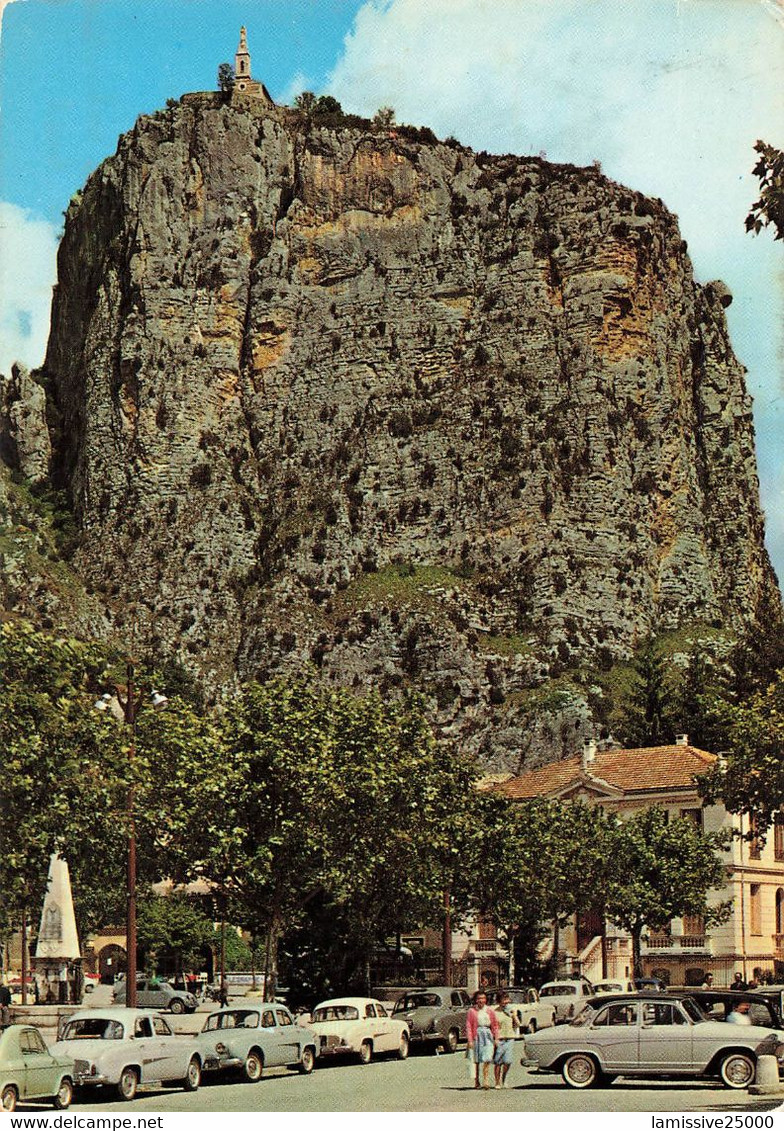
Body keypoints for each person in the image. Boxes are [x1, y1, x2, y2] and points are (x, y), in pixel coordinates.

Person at [466, 990, 499, 1090]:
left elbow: (495, 1025)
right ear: (476, 1000)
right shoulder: (472, 1011)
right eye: (479, 998)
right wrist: (470, 1040)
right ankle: (477, 1081)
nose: (481, 1000)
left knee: (487, 1057)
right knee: (476, 1059)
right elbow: (468, 1026)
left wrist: (496, 1037)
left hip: (487, 1034)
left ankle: (486, 1080)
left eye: (483, 998)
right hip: (477, 1034)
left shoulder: (490, 1010)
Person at [493, 991, 518, 1089]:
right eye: (503, 1000)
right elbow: (494, 1027)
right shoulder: (495, 1012)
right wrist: (495, 1039)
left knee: (508, 1061)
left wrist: (514, 1016)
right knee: (498, 1061)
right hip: (500, 1038)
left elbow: (517, 1024)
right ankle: (497, 1082)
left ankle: (505, 1078)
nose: (506, 1002)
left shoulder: (512, 1010)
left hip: (510, 1037)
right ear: (499, 1001)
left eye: (507, 999)